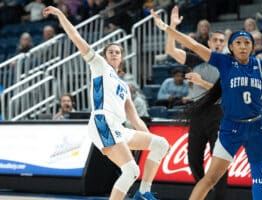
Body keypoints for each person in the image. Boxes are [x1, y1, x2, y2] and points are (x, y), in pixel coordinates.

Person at [151, 7, 262, 200]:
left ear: (253, 47)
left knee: (260, 180)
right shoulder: (224, 62)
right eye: (238, 42)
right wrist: (166, 27)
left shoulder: (261, 65)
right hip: (230, 126)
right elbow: (194, 46)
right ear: (231, 47)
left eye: (247, 42)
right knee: (210, 178)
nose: (243, 46)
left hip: (255, 126)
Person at [43, 6, 169, 200]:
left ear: (122, 57)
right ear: (104, 55)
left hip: (117, 126)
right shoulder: (99, 65)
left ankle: (144, 191)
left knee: (160, 144)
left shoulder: (125, 86)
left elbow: (134, 118)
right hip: (103, 122)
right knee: (131, 171)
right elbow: (76, 37)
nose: (114, 54)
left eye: (117, 52)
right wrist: (60, 15)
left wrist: (146, 139)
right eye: (110, 51)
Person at [165, 6, 227, 199]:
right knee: (193, 160)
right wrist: (172, 26)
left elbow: (223, 93)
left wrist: (200, 82)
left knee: (219, 163)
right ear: (208, 42)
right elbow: (170, 50)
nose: (217, 43)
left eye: (221, 41)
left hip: (218, 114)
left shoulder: (228, 63)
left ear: (224, 45)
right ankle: (205, 194)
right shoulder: (195, 58)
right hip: (197, 114)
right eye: (214, 40)